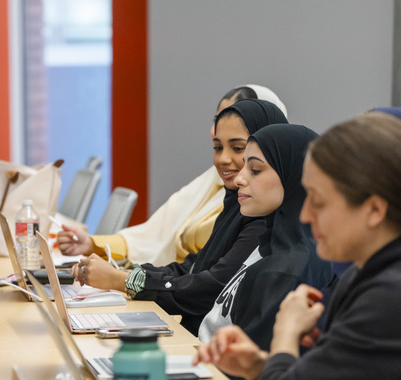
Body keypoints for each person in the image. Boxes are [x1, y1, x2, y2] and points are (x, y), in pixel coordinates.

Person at [195, 113, 401, 380]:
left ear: (373, 210)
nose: (305, 215)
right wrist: (258, 366)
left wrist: (286, 334)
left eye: (319, 201)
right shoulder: (363, 274)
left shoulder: (388, 297)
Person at [70, 99, 286, 335]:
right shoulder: (236, 204)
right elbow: (193, 267)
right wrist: (123, 274)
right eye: (217, 148)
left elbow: (213, 288)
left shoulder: (264, 217)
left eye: (237, 148)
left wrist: (122, 281)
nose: (223, 159)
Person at [58, 84, 288, 266]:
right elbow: (151, 236)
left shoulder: (259, 206)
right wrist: (93, 245)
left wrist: (132, 282)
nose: (217, 130)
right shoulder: (211, 181)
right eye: (217, 119)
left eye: (234, 119)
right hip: (174, 285)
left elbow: (215, 279)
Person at [197, 123, 333, 350]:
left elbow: (248, 362)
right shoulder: (270, 242)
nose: (239, 179)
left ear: (294, 176)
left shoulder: (286, 269)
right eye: (244, 167)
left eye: (255, 170)